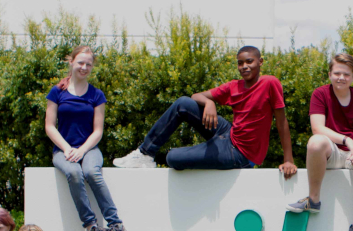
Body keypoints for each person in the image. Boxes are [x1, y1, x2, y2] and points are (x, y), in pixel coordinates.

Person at [113, 46, 298, 177]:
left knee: (172, 158)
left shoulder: (270, 83)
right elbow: (196, 96)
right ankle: (145, 154)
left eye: (249, 61)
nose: (244, 66)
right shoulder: (234, 86)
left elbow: (281, 122)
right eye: (240, 63)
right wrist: (210, 103)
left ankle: (217, 152)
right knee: (182, 103)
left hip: (240, 154)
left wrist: (288, 160)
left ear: (260, 62)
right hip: (229, 133)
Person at [286, 53, 353, 231]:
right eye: (337, 73)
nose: (341, 77)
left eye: (346, 74)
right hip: (333, 150)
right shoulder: (320, 94)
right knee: (315, 142)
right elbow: (318, 128)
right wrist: (347, 141)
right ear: (330, 74)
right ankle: (313, 200)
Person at [46, 45, 134, 231]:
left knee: (92, 173)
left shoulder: (97, 95)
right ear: (71, 62)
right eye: (80, 63)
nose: (84, 67)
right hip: (63, 150)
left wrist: (82, 150)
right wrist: (68, 149)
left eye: (88, 64)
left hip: (89, 149)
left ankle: (116, 225)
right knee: (75, 173)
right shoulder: (56, 92)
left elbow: (98, 131)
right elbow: (50, 127)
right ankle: (91, 226)